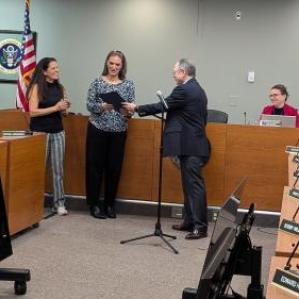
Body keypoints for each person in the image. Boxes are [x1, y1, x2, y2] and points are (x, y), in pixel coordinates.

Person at [123, 58, 210, 240]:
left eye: (175, 71)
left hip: (191, 145)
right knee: (188, 186)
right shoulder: (197, 89)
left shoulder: (184, 89)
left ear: (183, 72)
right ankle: (189, 221)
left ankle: (200, 227)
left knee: (194, 187)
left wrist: (136, 107)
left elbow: (164, 105)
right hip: (193, 144)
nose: (173, 74)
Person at [86, 50, 135, 219]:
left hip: (119, 132)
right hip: (97, 130)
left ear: (122, 66)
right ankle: (94, 205)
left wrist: (128, 111)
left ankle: (109, 204)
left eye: (117, 64)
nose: (114, 67)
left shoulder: (128, 85)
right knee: (95, 168)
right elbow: (89, 105)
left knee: (114, 169)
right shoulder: (97, 82)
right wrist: (102, 107)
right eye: (111, 63)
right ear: (107, 63)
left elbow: (130, 111)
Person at [27, 57, 70, 216]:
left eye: (57, 68)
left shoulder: (61, 88)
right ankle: (33, 202)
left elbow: (62, 111)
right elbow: (33, 111)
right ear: (44, 71)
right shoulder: (37, 87)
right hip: (39, 133)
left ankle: (59, 203)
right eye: (53, 68)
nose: (56, 70)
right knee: (39, 169)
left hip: (58, 131)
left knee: (58, 169)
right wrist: (55, 107)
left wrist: (64, 108)